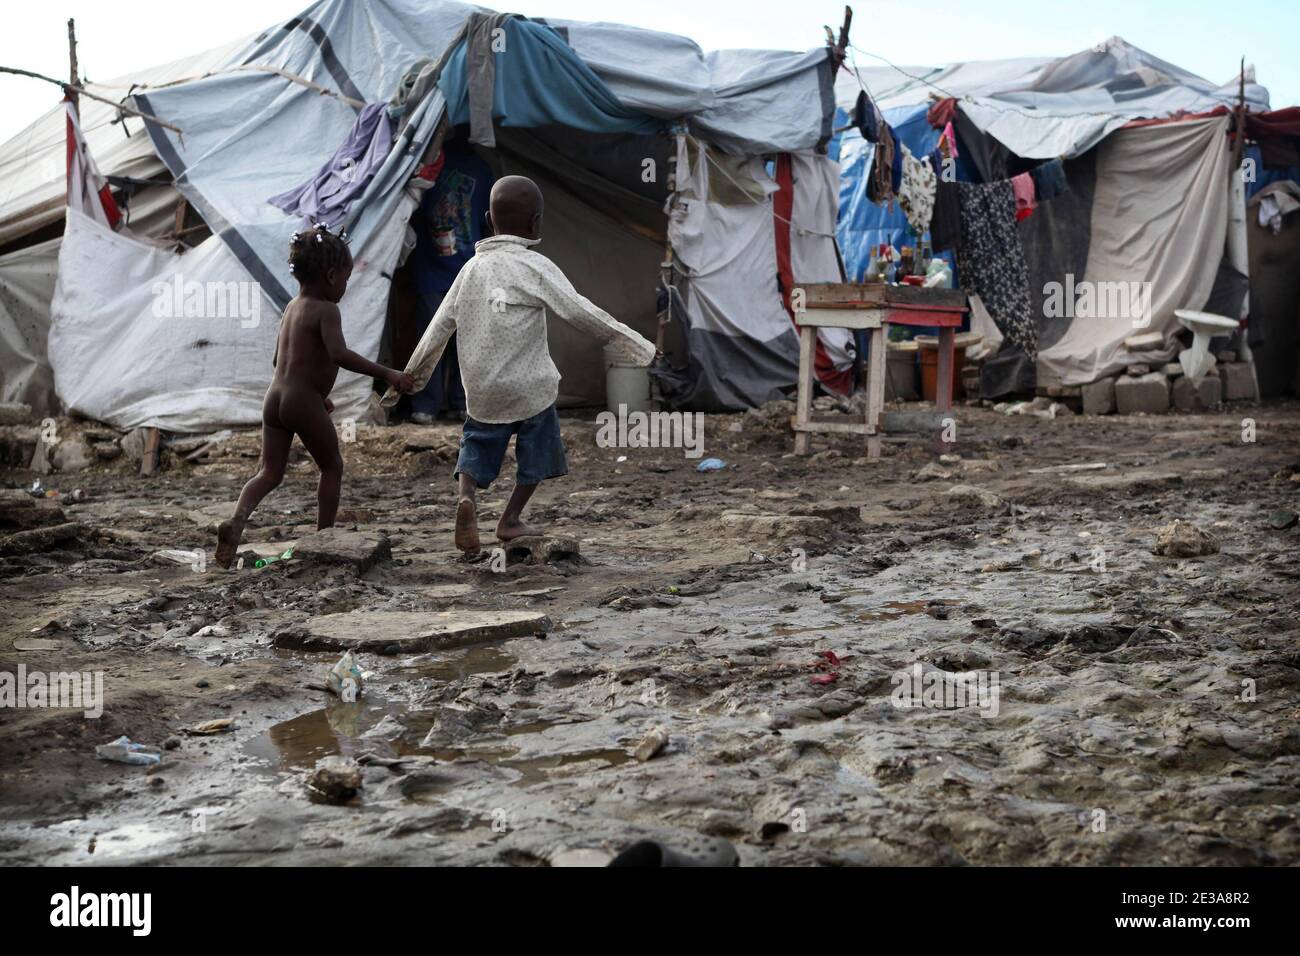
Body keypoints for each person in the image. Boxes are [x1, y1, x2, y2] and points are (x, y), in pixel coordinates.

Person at [383, 175, 655, 555]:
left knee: (476, 443)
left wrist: (409, 379)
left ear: (488, 220)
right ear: (535, 224)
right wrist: (634, 344)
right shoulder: (535, 266)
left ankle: (467, 498)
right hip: (530, 387)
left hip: (481, 389)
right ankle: (510, 519)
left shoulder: (469, 271)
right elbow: (580, 311)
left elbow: (437, 328)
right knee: (539, 449)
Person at [216, 226, 414, 567]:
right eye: (346, 279)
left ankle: (236, 521)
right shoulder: (326, 309)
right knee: (332, 466)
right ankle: (324, 538)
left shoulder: (292, 307)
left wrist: (316, 396)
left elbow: (280, 360)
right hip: (300, 400)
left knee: (269, 472)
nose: (346, 286)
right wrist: (387, 373)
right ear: (332, 275)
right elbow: (338, 354)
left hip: (275, 398)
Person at [406, 140, 494, 422]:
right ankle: (440, 403)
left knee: (445, 339)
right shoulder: (439, 163)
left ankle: (440, 404)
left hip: (457, 269)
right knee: (446, 340)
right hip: (441, 268)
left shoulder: (477, 168)